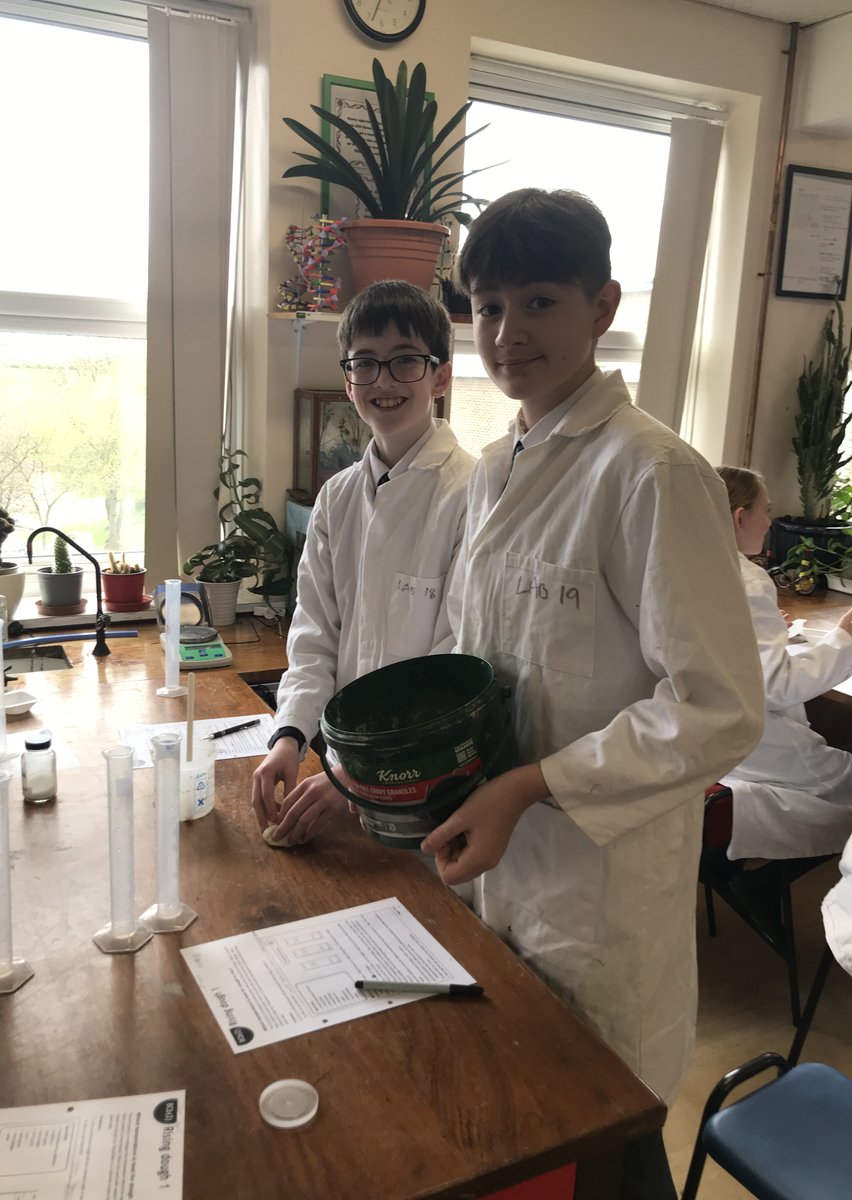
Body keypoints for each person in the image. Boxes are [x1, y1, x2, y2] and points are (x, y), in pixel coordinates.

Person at [419, 189, 764, 1200]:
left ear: (603, 304)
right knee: (525, 1124)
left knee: (605, 1138)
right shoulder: (492, 473)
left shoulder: (651, 472)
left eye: (538, 302)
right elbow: (468, 655)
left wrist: (531, 784)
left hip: (598, 892)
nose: (506, 333)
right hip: (497, 865)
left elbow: (716, 706)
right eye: (485, 306)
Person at [251, 279, 475, 843]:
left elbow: (456, 662)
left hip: (428, 783)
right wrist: (289, 736)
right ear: (348, 380)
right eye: (365, 364)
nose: (383, 382)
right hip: (341, 767)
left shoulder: (472, 493)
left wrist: (357, 776)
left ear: (441, 375)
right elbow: (315, 633)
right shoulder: (338, 496)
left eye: (405, 361)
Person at [716, 465, 852, 861]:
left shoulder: (681, 562)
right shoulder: (748, 580)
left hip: (697, 736)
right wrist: (845, 636)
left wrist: (768, 627)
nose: (770, 521)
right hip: (747, 740)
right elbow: (776, 685)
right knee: (842, 777)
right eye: (767, 510)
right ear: (740, 517)